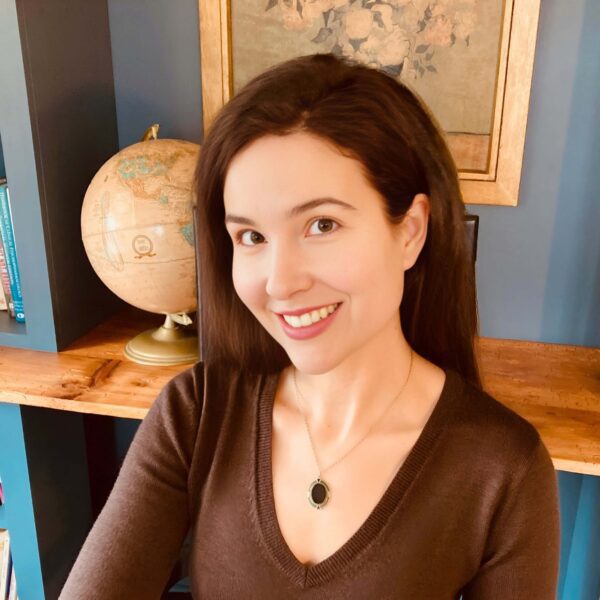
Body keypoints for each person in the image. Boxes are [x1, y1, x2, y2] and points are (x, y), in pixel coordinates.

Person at [61, 54, 560, 599]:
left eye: (322, 224)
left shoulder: (503, 469)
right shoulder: (197, 414)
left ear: (411, 231)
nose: (280, 282)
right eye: (251, 237)